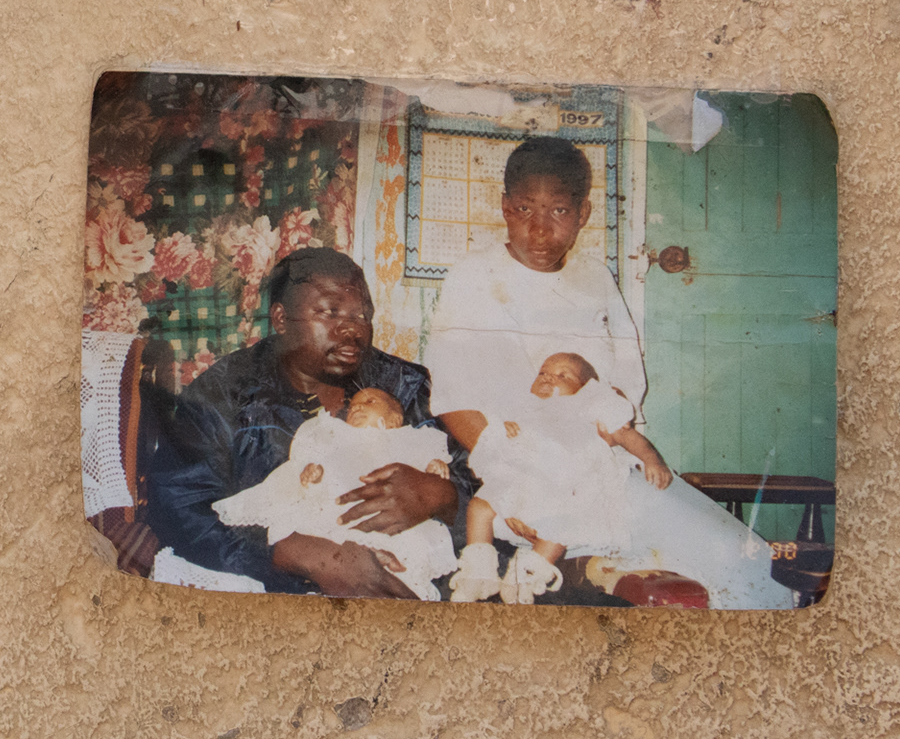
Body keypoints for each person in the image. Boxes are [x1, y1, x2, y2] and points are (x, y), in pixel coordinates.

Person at [426, 135, 794, 609]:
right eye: (524, 209)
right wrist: (518, 483)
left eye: (559, 211)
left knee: (741, 559)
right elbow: (455, 400)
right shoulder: (472, 278)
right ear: (504, 207)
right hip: (519, 488)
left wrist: (593, 442)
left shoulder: (594, 278)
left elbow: (625, 381)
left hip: (601, 481)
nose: (539, 230)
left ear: (583, 214)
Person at [144, 248, 476, 598]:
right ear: (282, 319)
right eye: (330, 312)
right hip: (270, 599)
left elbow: (494, 494)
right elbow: (175, 507)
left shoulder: (406, 388)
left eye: (362, 315)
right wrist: (296, 555)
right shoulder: (226, 392)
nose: (352, 328)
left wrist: (442, 497)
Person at [449, 352, 674, 604]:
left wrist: (651, 459)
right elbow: (494, 426)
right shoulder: (526, 405)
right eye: (543, 373)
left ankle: (529, 575)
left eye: (562, 375)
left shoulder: (591, 406)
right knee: (479, 507)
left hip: (564, 482)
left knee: (560, 526)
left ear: (585, 387)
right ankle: (479, 574)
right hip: (521, 477)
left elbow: (625, 435)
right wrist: (503, 426)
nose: (548, 378)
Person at [213, 388, 460, 601]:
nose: (358, 407)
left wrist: (434, 468)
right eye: (353, 405)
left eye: (370, 402)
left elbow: (430, 465)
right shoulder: (336, 434)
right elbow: (314, 457)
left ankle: (406, 584)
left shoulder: (408, 439)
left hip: (397, 519)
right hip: (338, 511)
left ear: (395, 420)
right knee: (328, 525)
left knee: (409, 555)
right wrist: (312, 472)